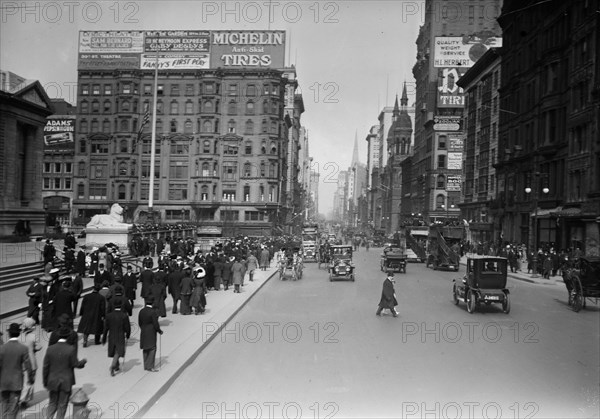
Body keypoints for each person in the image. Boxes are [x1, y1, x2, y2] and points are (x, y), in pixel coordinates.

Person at [43, 326, 87, 419]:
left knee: (52, 403)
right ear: (67, 337)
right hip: (66, 382)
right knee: (62, 404)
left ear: (58, 336)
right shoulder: (71, 349)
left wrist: (45, 382)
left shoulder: (50, 349)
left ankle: (48, 417)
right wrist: (83, 362)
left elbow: (45, 367)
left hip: (53, 381)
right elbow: (75, 364)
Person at [0, 323, 34, 419]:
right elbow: (28, 367)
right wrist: (30, 379)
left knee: (4, 407)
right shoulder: (23, 348)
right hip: (16, 382)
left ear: (9, 334)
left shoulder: (2, 348)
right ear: (18, 334)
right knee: (13, 408)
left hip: (3, 383)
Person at [102, 299, 131, 376]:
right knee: (118, 351)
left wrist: (104, 338)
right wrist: (128, 335)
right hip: (120, 336)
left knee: (114, 351)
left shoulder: (109, 316)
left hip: (111, 335)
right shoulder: (124, 315)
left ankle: (117, 366)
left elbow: (105, 328)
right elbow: (127, 327)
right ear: (121, 305)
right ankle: (113, 365)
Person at [19, 318, 40, 407]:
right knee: (30, 380)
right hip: (31, 361)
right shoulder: (33, 336)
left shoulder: (19, 337)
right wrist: (33, 349)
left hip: (21, 361)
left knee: (22, 380)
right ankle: (24, 399)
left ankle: (21, 397)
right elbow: (39, 347)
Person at [138, 296, 163, 372]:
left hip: (143, 330)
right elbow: (155, 323)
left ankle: (145, 365)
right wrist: (159, 331)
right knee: (152, 348)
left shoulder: (141, 311)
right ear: (152, 303)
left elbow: (139, 322)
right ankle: (150, 366)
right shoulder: (153, 312)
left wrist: (143, 328)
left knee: (145, 348)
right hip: (151, 331)